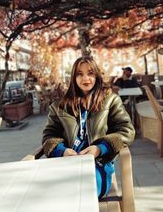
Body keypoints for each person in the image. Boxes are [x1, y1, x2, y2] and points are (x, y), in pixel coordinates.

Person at [42, 56, 135, 199]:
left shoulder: (111, 100)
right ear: (73, 77)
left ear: (97, 75)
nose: (85, 78)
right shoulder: (59, 107)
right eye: (79, 74)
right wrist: (62, 151)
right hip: (67, 164)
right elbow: (49, 135)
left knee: (81, 191)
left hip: (97, 163)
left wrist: (99, 149)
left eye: (90, 73)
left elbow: (126, 130)